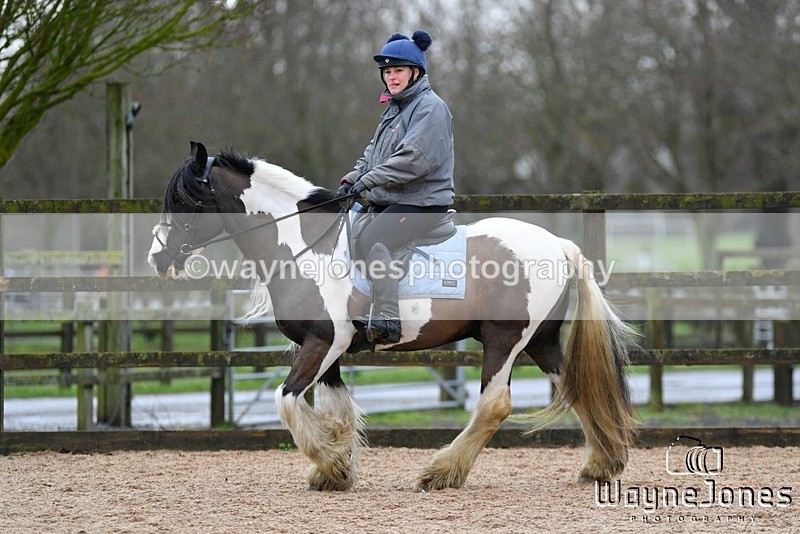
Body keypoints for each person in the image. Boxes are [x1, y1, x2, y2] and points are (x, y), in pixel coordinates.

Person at [338, 30, 455, 344]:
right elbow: (373, 154)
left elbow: (412, 160)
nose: (392, 77)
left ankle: (389, 318)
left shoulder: (430, 108)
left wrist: (369, 180)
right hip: (394, 199)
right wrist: (352, 178)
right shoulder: (394, 110)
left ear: (415, 72)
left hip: (423, 203)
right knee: (348, 234)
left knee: (374, 237)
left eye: (398, 70)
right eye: (387, 72)